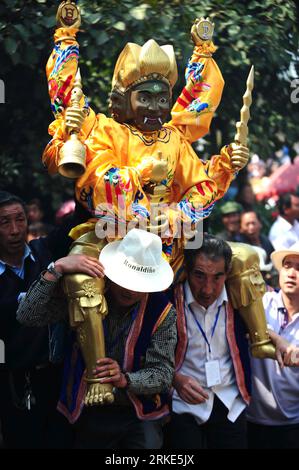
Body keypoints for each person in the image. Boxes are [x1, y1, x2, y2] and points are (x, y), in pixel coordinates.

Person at [17, 228, 177, 449]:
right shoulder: (87, 292)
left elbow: (163, 373)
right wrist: (57, 268)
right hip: (85, 408)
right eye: (126, 279)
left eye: (139, 284)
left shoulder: (163, 311)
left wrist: (124, 379)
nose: (130, 290)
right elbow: (27, 315)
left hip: (138, 412)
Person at [0, 190, 80, 448]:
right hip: (13, 383)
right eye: (5, 222)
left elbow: (78, 219)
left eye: (20, 219)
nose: (15, 230)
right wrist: (50, 276)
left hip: (57, 378)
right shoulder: (49, 265)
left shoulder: (43, 250)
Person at [247, 241, 299, 449]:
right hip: (251, 420)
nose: (292, 273)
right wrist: (279, 340)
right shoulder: (262, 301)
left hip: (294, 424)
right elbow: (247, 320)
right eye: (287, 266)